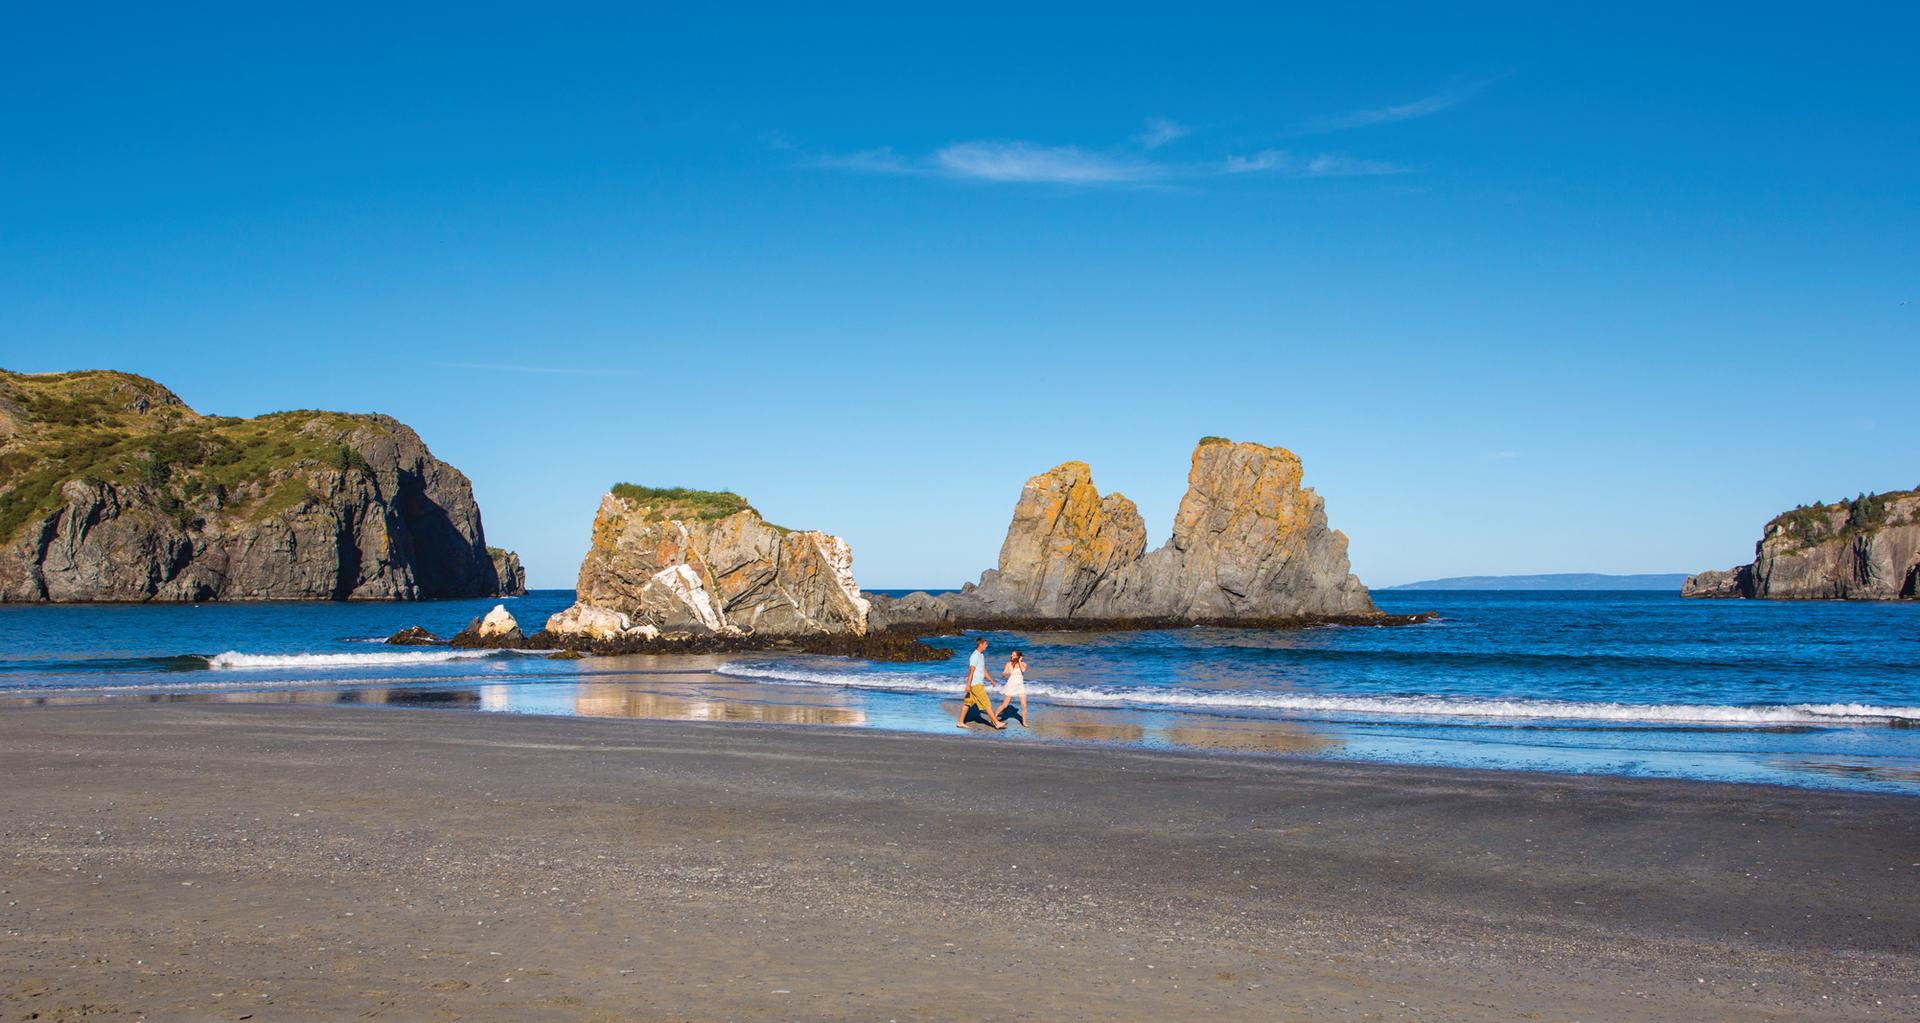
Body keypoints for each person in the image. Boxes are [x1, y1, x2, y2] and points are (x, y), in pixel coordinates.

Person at [956, 636, 1005, 730]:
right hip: (975, 685)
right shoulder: (974, 656)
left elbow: (983, 670)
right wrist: (968, 685)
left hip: (975, 684)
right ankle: (997, 723)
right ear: (981, 644)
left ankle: (960, 722)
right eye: (986, 644)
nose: (987, 646)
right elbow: (971, 671)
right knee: (986, 703)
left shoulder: (981, 655)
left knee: (967, 703)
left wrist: (991, 680)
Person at [995, 649, 1031, 727]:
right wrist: (1005, 673)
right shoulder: (1008, 664)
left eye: (1014, 655)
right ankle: (994, 717)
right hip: (1010, 685)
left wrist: (1019, 661)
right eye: (1012, 654)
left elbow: (1023, 670)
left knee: (1024, 705)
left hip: (1020, 686)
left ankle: (1024, 722)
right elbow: (1003, 674)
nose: (1012, 656)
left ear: (1018, 656)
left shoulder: (1024, 664)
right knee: (1005, 705)